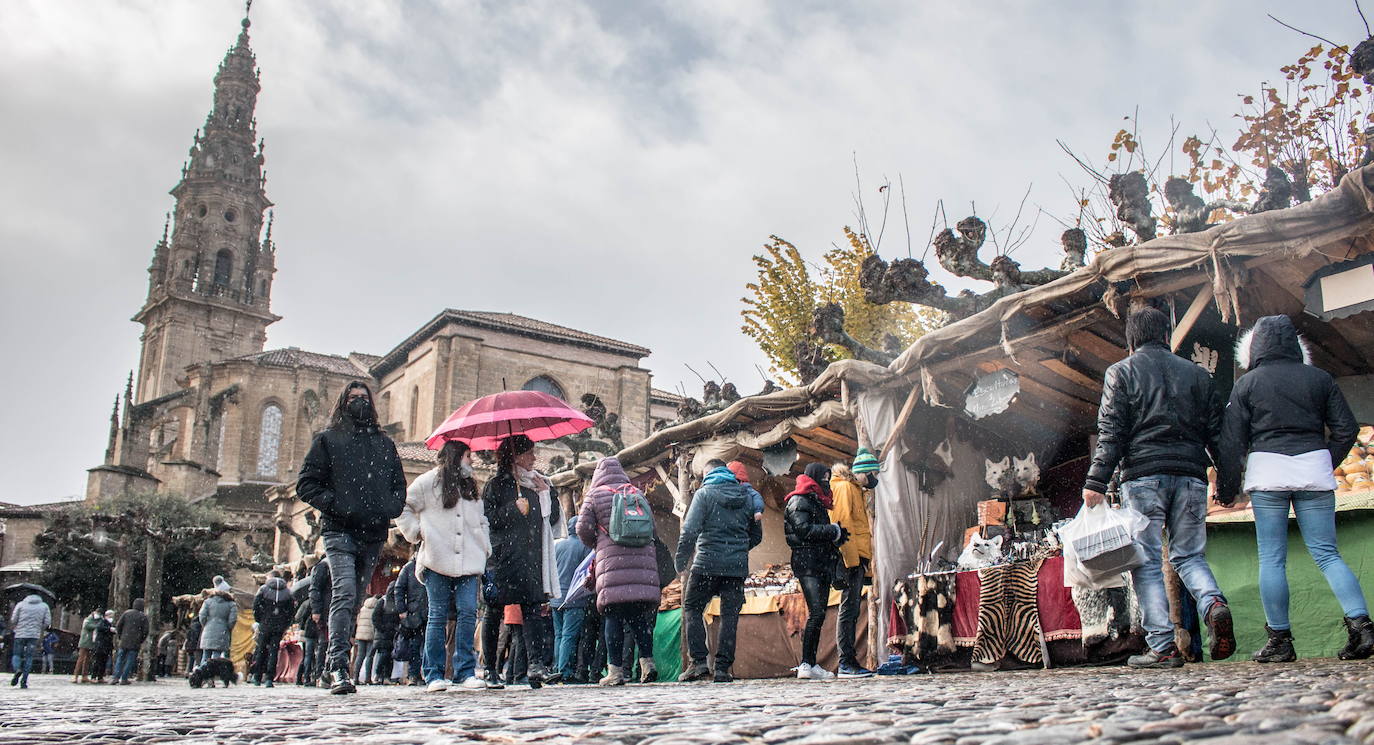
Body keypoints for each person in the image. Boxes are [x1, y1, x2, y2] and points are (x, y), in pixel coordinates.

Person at [1083, 305, 1235, 669]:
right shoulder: (1197, 375)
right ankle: (1212, 603)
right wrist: (1228, 482)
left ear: (1131, 339)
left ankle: (1163, 647)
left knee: (1148, 562)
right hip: (1192, 476)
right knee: (1189, 556)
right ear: (1166, 336)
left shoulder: (1120, 372)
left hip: (1143, 477)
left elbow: (1112, 432)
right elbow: (1218, 434)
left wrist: (1096, 481)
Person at [1217, 314, 1370, 662]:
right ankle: (1362, 627)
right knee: (1327, 554)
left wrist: (1227, 490)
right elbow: (1347, 429)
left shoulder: (1247, 384)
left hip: (1267, 472)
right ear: (1295, 344)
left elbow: (1230, 443)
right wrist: (1323, 460)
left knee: (1272, 558)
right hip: (1313, 470)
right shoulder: (1320, 379)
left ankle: (1280, 641)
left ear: (1256, 346)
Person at [296, 380, 407, 694]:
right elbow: (306, 485)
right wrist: (338, 504)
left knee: (356, 598)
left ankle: (333, 665)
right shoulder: (328, 440)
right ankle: (337, 667)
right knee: (344, 592)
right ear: (342, 402)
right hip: (339, 530)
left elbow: (399, 484)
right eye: (352, 397)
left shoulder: (385, 445)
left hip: (373, 533)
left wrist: (390, 507)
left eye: (363, 398)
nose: (359, 402)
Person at [396, 440, 492, 692]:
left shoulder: (471, 486)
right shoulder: (428, 482)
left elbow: (481, 519)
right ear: (456, 456)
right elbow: (402, 507)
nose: (472, 461)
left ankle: (464, 671)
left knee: (468, 613)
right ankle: (434, 673)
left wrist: (484, 545)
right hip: (437, 559)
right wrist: (416, 532)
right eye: (469, 456)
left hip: (470, 561)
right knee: (437, 617)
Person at [676, 459, 763, 683]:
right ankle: (723, 668)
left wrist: (681, 560)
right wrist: (737, 549)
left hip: (706, 563)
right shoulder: (746, 496)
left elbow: (689, 531)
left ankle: (699, 663)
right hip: (735, 567)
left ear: (708, 473)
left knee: (693, 607)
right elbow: (756, 535)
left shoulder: (704, 494)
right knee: (729, 616)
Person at [577, 457, 662, 686]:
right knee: (637, 617)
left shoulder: (595, 495)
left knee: (613, 616)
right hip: (641, 564)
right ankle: (648, 663)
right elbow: (652, 528)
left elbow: (582, 527)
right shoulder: (637, 492)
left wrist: (598, 542)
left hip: (612, 565)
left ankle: (614, 671)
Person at [481, 434, 556, 688]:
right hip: (502, 558)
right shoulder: (495, 485)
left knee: (533, 609)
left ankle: (535, 665)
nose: (534, 458)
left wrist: (547, 495)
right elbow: (488, 519)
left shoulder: (537, 484)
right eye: (529, 453)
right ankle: (490, 669)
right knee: (494, 612)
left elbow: (552, 518)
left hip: (530, 556)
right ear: (515, 456)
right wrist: (513, 508)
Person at [786, 462, 849, 681]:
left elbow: (814, 532)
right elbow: (803, 530)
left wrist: (837, 536)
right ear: (813, 477)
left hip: (819, 563)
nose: (826, 480)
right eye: (823, 476)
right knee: (817, 612)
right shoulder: (798, 500)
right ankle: (806, 663)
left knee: (818, 613)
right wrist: (832, 531)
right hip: (807, 564)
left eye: (828, 476)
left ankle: (810, 663)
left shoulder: (817, 501)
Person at [830, 459, 876, 678]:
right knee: (849, 609)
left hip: (857, 558)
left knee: (852, 609)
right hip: (851, 558)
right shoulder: (845, 488)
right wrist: (852, 560)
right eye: (871, 474)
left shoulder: (854, 489)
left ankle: (848, 661)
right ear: (862, 473)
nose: (873, 479)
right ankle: (846, 662)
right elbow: (843, 524)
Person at [552, 516, 592, 683]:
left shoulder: (557, 547)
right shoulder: (585, 548)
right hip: (574, 598)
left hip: (556, 598)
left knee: (559, 635)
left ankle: (556, 668)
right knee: (569, 635)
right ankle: (565, 671)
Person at [252, 571, 297, 687]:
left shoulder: (263, 590)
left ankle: (257, 676)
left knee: (261, 649)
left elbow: (256, 606)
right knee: (274, 651)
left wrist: (260, 619)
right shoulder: (287, 592)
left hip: (265, 624)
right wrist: (285, 623)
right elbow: (291, 611)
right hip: (279, 626)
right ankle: (269, 678)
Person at [391, 557, 428, 686]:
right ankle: (414, 674)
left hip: (425, 610)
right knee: (415, 645)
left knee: (426, 644)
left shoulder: (413, 567)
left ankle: (426, 673)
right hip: (416, 612)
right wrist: (402, 610)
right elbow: (399, 589)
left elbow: (399, 589)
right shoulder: (409, 568)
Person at [8, 594, 50, 688]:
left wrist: (19, 625)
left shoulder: (20, 604)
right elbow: (47, 622)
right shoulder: (44, 606)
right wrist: (39, 627)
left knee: (16, 654)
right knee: (29, 657)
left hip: (20, 634)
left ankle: (17, 669)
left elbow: (13, 619)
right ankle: (24, 681)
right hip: (33, 635)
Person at [306, 553, 332, 685]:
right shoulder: (324, 566)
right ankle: (320, 674)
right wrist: (316, 610)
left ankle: (327, 672)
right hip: (327, 610)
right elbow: (315, 589)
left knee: (328, 643)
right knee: (324, 643)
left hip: (333, 609)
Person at [197, 587, 237, 669]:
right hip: (223, 631)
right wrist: (228, 628)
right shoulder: (231, 604)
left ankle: (202, 674)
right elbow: (232, 620)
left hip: (208, 629)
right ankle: (212, 673)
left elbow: (202, 616)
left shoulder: (207, 602)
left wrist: (206, 625)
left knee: (206, 654)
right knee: (217, 655)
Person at [112, 598, 149, 685]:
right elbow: (145, 631)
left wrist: (121, 636)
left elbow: (118, 626)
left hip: (124, 640)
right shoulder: (143, 617)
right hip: (135, 642)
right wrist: (140, 640)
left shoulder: (126, 613)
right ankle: (124, 678)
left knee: (120, 659)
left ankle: (116, 677)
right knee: (130, 661)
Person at [370, 583, 402, 684]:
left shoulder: (392, 602)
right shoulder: (383, 602)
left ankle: (386, 676)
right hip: (384, 634)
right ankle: (379, 675)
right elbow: (375, 617)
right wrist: (383, 628)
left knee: (389, 656)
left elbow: (375, 617)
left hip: (391, 634)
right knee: (384, 655)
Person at [352, 594, 378, 684]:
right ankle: (368, 678)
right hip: (371, 634)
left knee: (360, 656)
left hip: (360, 634)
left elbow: (357, 621)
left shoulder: (362, 609)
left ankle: (355, 677)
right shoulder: (376, 609)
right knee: (369, 656)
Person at [293, 601, 318, 686]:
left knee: (307, 656)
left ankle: (302, 677)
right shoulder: (320, 602)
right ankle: (310, 676)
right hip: (314, 631)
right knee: (310, 655)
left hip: (307, 631)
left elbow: (299, 617)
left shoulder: (307, 603)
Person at [74, 610, 100, 683]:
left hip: (90, 642)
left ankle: (84, 675)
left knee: (87, 660)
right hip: (85, 642)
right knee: (81, 659)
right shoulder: (88, 620)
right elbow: (88, 626)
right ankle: (76, 675)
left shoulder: (95, 620)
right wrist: (97, 625)